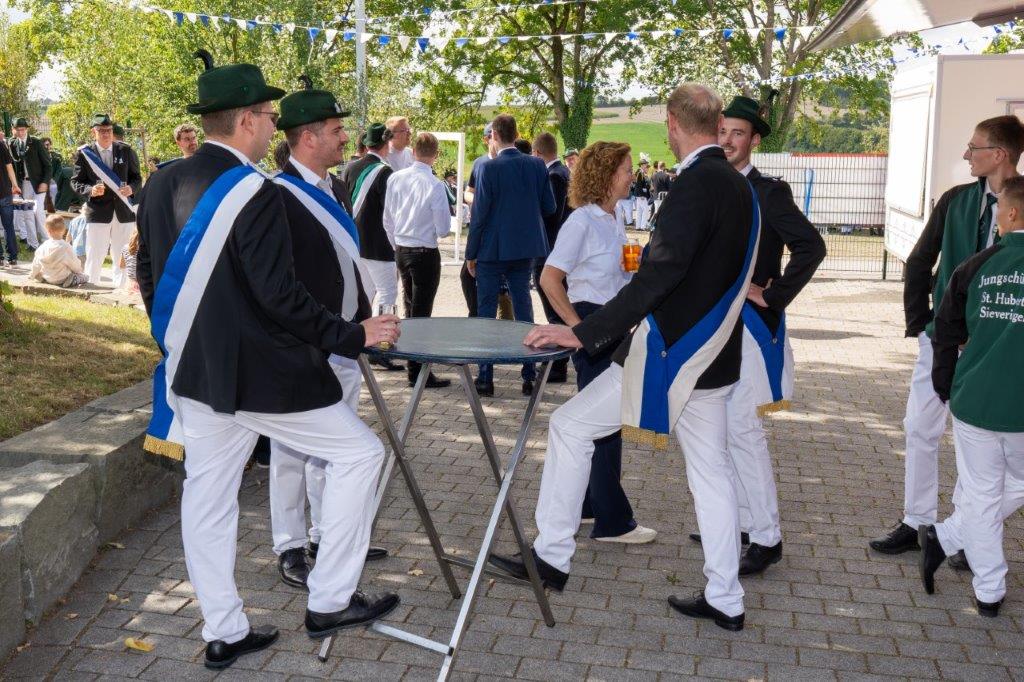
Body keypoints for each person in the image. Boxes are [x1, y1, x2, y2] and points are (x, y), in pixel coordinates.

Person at [136, 54, 400, 669]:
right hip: (262, 377)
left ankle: (224, 631)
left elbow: (147, 274)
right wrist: (351, 335)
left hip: (197, 374)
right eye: (268, 114)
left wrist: (180, 344)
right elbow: (279, 296)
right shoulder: (253, 190)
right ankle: (329, 599)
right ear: (248, 120)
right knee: (361, 454)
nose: (273, 124)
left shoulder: (160, 182)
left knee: (207, 500)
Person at [488, 83, 758, 632]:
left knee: (569, 426)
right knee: (713, 474)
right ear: (715, 123)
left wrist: (583, 334)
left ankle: (552, 557)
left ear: (673, 124)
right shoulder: (739, 185)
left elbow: (660, 278)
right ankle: (726, 597)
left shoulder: (693, 185)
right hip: (715, 358)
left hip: (673, 356)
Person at [870, 115, 1024, 561]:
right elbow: (920, 260)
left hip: (997, 345)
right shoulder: (956, 199)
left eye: (974, 147)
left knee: (983, 446)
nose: (966, 154)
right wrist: (922, 324)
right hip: (940, 337)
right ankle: (916, 520)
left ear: (999, 154)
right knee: (920, 426)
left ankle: (965, 533)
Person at [689, 96, 825, 576]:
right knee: (722, 429)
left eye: (738, 133)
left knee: (744, 430)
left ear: (754, 141)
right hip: (711, 327)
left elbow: (811, 246)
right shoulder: (706, 183)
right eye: (722, 131)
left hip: (748, 327)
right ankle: (741, 522)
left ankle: (767, 537)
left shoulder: (769, 192)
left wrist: (773, 294)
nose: (727, 141)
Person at [268, 77, 389, 590]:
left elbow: (346, 261)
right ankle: (290, 544)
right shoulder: (275, 195)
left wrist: (360, 323)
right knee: (290, 452)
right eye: (337, 130)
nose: (345, 138)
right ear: (308, 136)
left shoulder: (336, 187)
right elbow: (280, 281)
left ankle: (325, 535)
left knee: (333, 447)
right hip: (301, 343)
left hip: (344, 339)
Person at [538, 141, 656, 545]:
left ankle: (590, 504)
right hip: (593, 321)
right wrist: (578, 329)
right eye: (626, 169)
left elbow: (617, 275)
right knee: (604, 425)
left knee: (600, 421)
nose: (631, 175)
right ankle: (614, 522)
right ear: (606, 175)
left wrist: (632, 270)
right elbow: (550, 278)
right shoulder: (581, 221)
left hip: (610, 322)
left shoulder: (614, 216)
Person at [918, 175, 1024, 618]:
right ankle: (985, 586)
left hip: (975, 399)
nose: (996, 217)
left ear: (1011, 213)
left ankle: (963, 556)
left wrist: (946, 386)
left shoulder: (975, 266)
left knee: (982, 496)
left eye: (999, 211)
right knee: (995, 493)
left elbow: (945, 331)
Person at [465, 113, 555, 397]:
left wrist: (471, 253)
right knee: (524, 308)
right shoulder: (536, 165)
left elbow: (479, 215)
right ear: (516, 134)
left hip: (492, 249)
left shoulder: (488, 168)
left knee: (487, 312)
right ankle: (529, 374)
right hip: (526, 247)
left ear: (494, 135)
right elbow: (550, 206)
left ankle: (485, 376)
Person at [383, 132, 453, 389]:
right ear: (436, 155)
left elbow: (387, 219)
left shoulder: (395, 178)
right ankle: (418, 370)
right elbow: (443, 228)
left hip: (402, 248)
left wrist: (396, 244)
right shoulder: (434, 185)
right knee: (422, 313)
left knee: (410, 306)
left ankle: (413, 364)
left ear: (413, 152)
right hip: (424, 251)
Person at [71, 113, 143, 286]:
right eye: (101, 131)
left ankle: (122, 289)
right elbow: (75, 182)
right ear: (93, 132)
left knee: (123, 253)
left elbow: (137, 178)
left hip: (124, 210)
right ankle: (91, 286)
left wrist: (131, 188)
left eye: (109, 130)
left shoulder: (125, 150)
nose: (106, 134)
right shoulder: (85, 154)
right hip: (98, 210)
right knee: (95, 252)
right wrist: (90, 190)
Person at [531, 131, 572, 383]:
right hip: (555, 247)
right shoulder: (562, 172)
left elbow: (552, 214)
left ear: (537, 154)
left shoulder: (555, 175)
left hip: (550, 248)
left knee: (553, 305)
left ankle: (558, 365)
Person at [460, 123, 494, 317]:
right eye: (491, 136)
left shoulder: (507, 163)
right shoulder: (479, 163)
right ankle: (475, 315)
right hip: (478, 229)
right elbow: (468, 192)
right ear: (486, 139)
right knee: (467, 276)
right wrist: (477, 200)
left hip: (495, 232)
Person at [9, 117, 51, 250]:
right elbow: (13, 166)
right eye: (18, 130)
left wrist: (45, 182)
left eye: (23, 129)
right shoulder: (13, 144)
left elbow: (48, 165)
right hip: (24, 183)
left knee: (38, 211)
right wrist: (15, 184)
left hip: (39, 183)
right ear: (14, 130)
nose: (21, 132)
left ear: (27, 129)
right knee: (27, 213)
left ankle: (47, 241)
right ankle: (33, 243)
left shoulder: (36, 142)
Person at [30, 214, 88, 288]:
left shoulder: (43, 246)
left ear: (48, 231)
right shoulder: (65, 247)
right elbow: (74, 264)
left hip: (48, 277)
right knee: (85, 276)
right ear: (64, 230)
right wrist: (79, 271)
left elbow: (36, 263)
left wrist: (32, 274)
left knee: (42, 271)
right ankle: (73, 279)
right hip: (63, 278)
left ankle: (41, 276)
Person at [0, 135, 19, 266]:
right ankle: (13, 257)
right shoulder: (1, 145)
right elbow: (9, 167)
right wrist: (15, 185)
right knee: (8, 226)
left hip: (5, 193)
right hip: (5, 192)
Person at [632, 155, 652, 230]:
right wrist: (641, 194)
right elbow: (638, 185)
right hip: (641, 194)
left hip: (640, 194)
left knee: (640, 210)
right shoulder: (640, 173)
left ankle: (638, 226)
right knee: (645, 210)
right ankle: (642, 226)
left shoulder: (641, 172)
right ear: (642, 165)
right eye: (645, 164)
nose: (646, 165)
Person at [42, 137, 62, 211]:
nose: (46, 147)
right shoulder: (38, 156)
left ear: (50, 145)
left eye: (48, 145)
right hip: (42, 182)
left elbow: (59, 170)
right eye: (44, 145)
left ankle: (51, 212)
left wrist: (54, 180)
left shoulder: (56, 157)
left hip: (52, 183)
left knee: (51, 202)